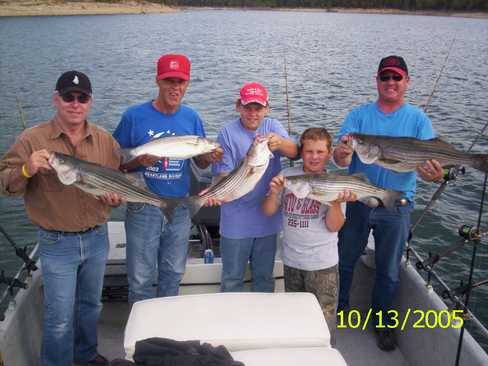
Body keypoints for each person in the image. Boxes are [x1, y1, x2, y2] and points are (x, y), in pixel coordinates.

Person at [0, 70, 121, 366]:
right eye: (68, 96)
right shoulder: (33, 139)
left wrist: (114, 197)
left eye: (82, 98)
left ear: (90, 102)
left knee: (91, 306)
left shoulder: (105, 140)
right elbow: (4, 183)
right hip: (56, 243)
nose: (75, 103)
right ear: (57, 99)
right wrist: (27, 169)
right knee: (59, 318)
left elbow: (116, 180)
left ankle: (86, 353)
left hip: (96, 237)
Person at [333, 55, 444, 351]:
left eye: (397, 78)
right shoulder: (358, 116)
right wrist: (343, 153)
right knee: (344, 261)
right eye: (385, 78)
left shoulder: (419, 120)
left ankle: (382, 323)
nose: (391, 83)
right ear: (377, 81)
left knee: (389, 270)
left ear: (407, 82)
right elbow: (339, 156)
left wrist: (434, 174)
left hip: (398, 207)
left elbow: (432, 170)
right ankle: (339, 312)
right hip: (358, 201)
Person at [113, 54, 223, 303]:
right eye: (169, 81)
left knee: (173, 273)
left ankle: (164, 330)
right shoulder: (133, 116)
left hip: (180, 207)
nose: (175, 87)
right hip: (144, 206)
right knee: (140, 278)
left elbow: (199, 161)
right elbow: (117, 163)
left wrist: (210, 157)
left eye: (180, 82)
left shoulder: (191, 117)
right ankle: (142, 336)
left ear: (187, 84)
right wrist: (137, 162)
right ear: (158, 81)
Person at [262, 127, 356, 345]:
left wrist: (335, 203)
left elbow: (335, 227)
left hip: (322, 265)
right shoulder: (287, 176)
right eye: (309, 151)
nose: (314, 157)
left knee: (323, 326)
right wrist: (274, 192)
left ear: (329, 153)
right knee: (295, 320)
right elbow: (268, 211)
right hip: (292, 261)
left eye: (320, 152)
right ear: (301, 152)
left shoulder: (335, 182)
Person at [210, 82, 298, 292]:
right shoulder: (227, 133)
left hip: (267, 221)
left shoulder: (273, 126)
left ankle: (262, 321)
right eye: (247, 107)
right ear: (238, 106)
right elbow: (222, 173)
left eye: (258, 108)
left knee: (264, 278)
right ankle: (232, 322)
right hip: (235, 222)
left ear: (266, 108)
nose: (253, 113)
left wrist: (281, 143)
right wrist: (215, 193)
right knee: (232, 279)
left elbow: (295, 151)